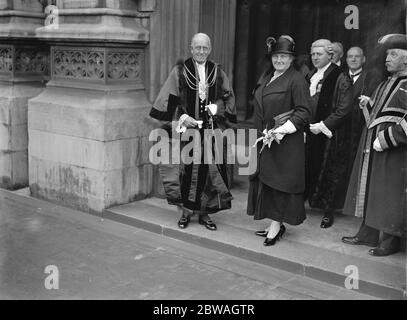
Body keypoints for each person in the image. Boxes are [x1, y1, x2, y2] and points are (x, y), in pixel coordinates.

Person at [149, 33, 237, 230]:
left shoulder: (217, 71)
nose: (201, 51)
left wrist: (218, 108)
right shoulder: (180, 71)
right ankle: (185, 212)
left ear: (210, 49)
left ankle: (205, 213)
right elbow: (169, 100)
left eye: (205, 48)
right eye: (197, 47)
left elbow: (227, 97)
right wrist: (181, 118)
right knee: (185, 172)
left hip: (211, 131)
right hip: (187, 132)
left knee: (208, 174)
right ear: (191, 48)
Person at [342, 34, 407, 256]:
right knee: (371, 188)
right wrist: (369, 104)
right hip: (372, 146)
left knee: (389, 193)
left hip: (394, 150)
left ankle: (390, 242)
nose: (387, 58)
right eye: (387, 54)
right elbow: (382, 113)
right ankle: (367, 233)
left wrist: (389, 138)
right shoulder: (386, 82)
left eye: (394, 54)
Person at [247, 35, 311, 246]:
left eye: (284, 56)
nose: (279, 60)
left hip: (284, 142)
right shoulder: (267, 76)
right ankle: (274, 222)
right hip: (265, 140)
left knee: (280, 184)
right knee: (267, 181)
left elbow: (303, 112)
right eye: (276, 56)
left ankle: (276, 225)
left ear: (292, 59)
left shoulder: (297, 80)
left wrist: (282, 130)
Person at [304, 39, 353, 229]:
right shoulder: (311, 75)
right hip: (309, 131)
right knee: (308, 166)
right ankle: (306, 202)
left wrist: (324, 125)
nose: (315, 57)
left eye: (320, 54)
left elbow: (345, 109)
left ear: (329, 55)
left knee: (329, 171)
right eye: (313, 54)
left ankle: (328, 211)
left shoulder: (341, 77)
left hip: (330, 134)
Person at [345, 47, 378, 180]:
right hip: (340, 130)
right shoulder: (340, 76)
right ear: (346, 59)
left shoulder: (370, 77)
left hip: (357, 127)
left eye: (357, 56)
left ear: (363, 59)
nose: (353, 59)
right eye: (350, 56)